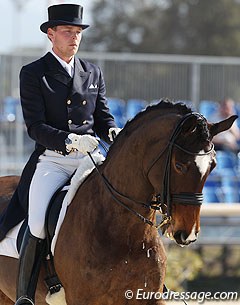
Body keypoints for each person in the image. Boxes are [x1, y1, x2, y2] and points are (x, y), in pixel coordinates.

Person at [1, 4, 121, 305]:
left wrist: (113, 132)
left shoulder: (92, 72)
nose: (74, 37)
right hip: (53, 160)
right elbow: (35, 127)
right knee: (38, 222)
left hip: (89, 159)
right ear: (51, 34)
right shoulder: (33, 73)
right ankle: (27, 294)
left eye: (78, 32)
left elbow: (103, 116)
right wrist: (69, 140)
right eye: (68, 31)